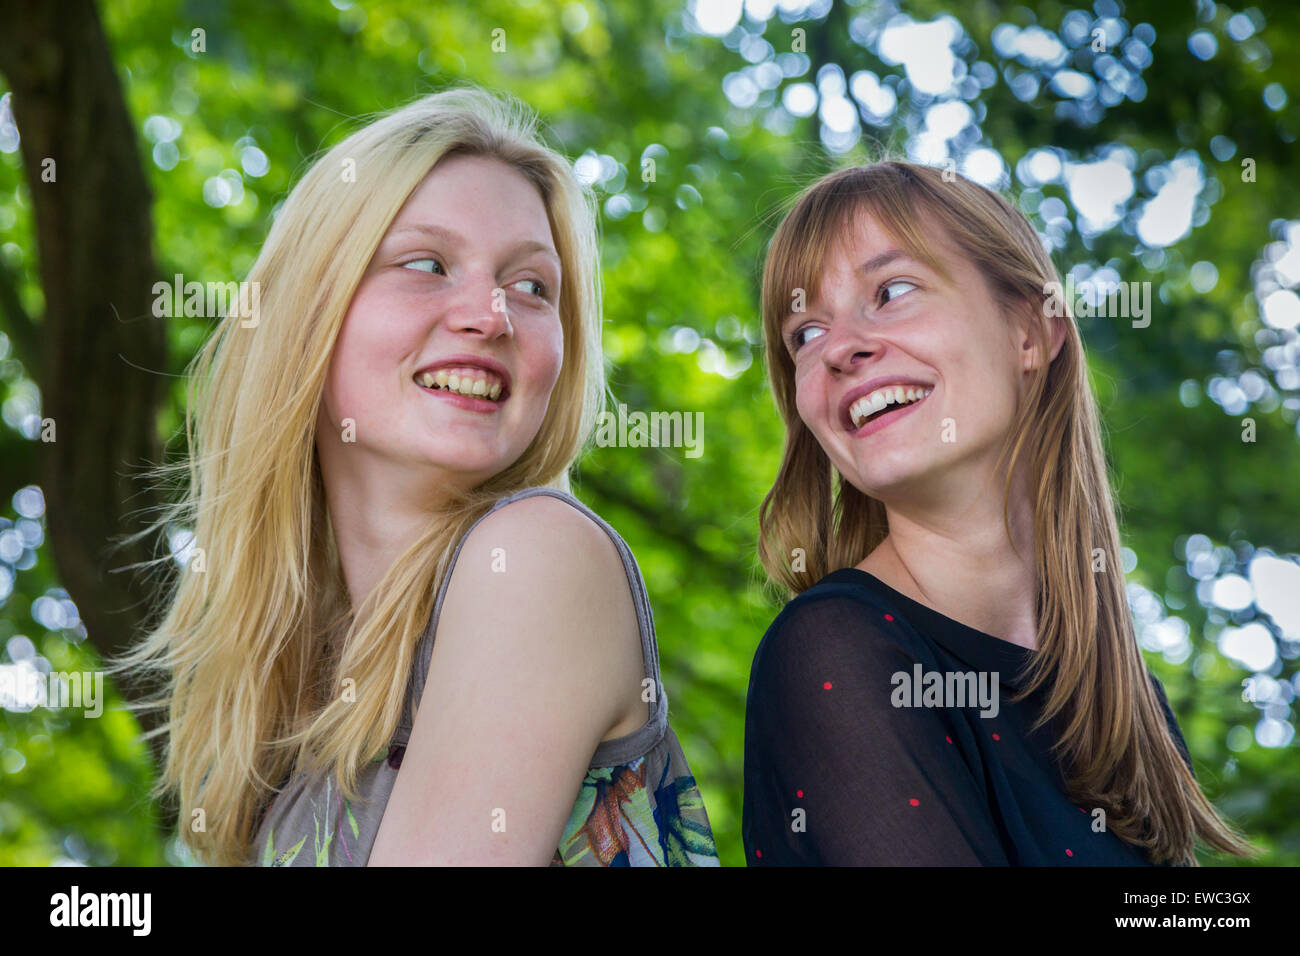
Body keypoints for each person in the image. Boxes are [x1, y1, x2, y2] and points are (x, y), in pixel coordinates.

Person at [115, 86, 718, 867]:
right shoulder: (298, 703)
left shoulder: (537, 557)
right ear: (308, 312)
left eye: (532, 286)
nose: (491, 315)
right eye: (427, 264)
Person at [742, 161, 1253, 866]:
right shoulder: (835, 652)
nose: (839, 349)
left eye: (892, 291)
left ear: (1030, 332)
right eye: (804, 333)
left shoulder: (1131, 708)